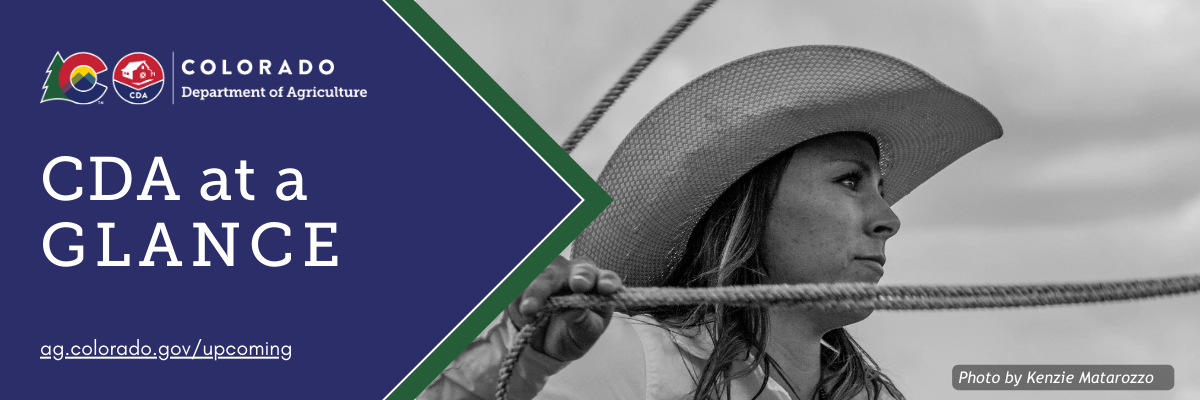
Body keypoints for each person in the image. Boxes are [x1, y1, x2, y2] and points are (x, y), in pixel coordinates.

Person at [419, 45, 1002, 400]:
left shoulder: (861, 392)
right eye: (850, 181)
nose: (889, 219)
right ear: (749, 209)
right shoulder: (633, 359)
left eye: (881, 188)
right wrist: (523, 359)